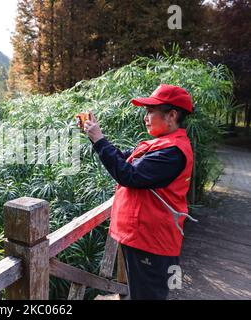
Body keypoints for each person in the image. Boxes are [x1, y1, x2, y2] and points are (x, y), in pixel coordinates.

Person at [83, 84, 195, 300]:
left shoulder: (173, 152)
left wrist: (99, 140)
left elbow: (128, 176)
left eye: (150, 111)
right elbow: (120, 160)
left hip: (151, 241)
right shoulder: (160, 144)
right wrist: (96, 137)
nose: (145, 117)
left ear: (172, 115)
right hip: (142, 236)